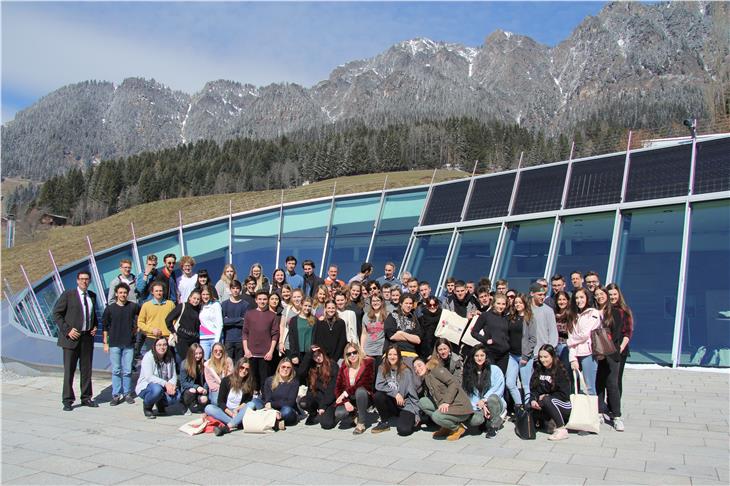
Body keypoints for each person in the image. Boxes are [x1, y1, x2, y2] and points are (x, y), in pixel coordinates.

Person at [53, 270, 99, 411]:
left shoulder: (92, 296)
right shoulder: (69, 295)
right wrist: (67, 330)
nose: (85, 281)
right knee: (69, 370)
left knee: (86, 370)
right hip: (71, 338)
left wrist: (95, 326)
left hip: (86, 338)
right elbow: (57, 313)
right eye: (82, 279)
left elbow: (92, 315)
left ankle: (86, 397)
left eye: (87, 279)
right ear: (77, 281)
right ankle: (67, 400)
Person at [414, 357, 473, 441]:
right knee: (423, 402)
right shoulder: (427, 377)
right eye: (415, 368)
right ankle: (446, 427)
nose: (417, 369)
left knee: (436, 416)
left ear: (426, 364)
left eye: (419, 365)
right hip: (448, 405)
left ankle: (458, 428)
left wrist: (446, 402)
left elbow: (453, 383)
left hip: (459, 406)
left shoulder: (437, 370)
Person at [102, 282, 140, 405]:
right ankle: (116, 394)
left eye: (125, 293)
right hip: (114, 343)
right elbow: (105, 327)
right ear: (116, 294)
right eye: (121, 293)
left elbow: (142, 315)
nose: (123, 295)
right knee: (116, 370)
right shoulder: (110, 309)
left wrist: (137, 327)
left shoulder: (133, 306)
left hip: (128, 343)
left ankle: (127, 393)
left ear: (128, 294)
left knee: (128, 370)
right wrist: (105, 343)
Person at [204, 357, 261, 436]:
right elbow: (220, 402)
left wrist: (237, 409)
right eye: (242, 367)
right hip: (227, 411)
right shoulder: (226, 380)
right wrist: (231, 413)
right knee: (208, 408)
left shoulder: (249, 383)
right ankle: (236, 422)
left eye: (247, 369)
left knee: (251, 404)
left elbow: (247, 401)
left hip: (239, 411)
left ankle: (228, 427)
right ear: (237, 367)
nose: (244, 371)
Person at [594, 286, 624, 431]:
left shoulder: (615, 312)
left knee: (612, 384)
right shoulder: (593, 312)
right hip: (596, 354)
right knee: (599, 383)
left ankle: (616, 416)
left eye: (602, 294)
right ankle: (599, 411)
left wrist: (603, 350)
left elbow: (616, 334)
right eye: (597, 295)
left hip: (611, 353)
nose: (600, 296)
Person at [372, 346, 420, 436]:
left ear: (399, 356)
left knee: (403, 430)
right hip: (392, 403)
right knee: (378, 395)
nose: (392, 357)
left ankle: (408, 419)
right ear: (386, 356)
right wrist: (396, 394)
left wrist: (417, 414)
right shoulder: (382, 368)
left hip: (404, 404)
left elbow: (413, 394)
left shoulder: (406, 371)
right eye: (390, 354)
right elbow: (378, 385)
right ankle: (384, 422)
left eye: (395, 354)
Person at [462, 344, 506, 438]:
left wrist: (484, 400)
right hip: (478, 405)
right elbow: (470, 393)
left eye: (482, 355)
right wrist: (480, 405)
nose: (479, 358)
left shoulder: (495, 369)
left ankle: (494, 426)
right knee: (475, 420)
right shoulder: (469, 372)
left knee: (492, 399)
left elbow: (497, 389)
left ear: (486, 356)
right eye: (476, 356)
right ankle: (485, 422)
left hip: (494, 402)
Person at [529, 344, 572, 441]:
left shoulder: (560, 370)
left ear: (552, 356)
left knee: (546, 399)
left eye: (546, 357)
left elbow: (564, 394)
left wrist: (547, 396)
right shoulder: (539, 369)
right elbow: (534, 389)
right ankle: (547, 421)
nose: (543, 360)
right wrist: (533, 400)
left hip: (564, 405)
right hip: (546, 403)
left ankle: (562, 430)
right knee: (530, 406)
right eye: (540, 357)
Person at [243, 290, 279, 393]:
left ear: (267, 301)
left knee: (265, 380)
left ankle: (264, 400)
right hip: (251, 353)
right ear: (256, 300)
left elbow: (275, 335)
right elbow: (245, 333)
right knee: (252, 379)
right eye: (260, 299)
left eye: (264, 299)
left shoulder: (272, 315)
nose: (262, 301)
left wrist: (271, 351)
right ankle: (252, 399)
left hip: (266, 354)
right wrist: (246, 350)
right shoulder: (249, 314)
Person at [567, 288, 602, 395]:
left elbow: (585, 335)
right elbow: (571, 336)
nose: (579, 300)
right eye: (576, 298)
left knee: (590, 387)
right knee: (572, 384)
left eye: (582, 297)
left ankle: (592, 411)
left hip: (589, 354)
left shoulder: (593, 313)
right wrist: (572, 359)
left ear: (587, 298)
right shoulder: (573, 315)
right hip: (576, 354)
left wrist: (570, 341)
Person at [334, 342, 374, 434]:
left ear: (358, 352)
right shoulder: (344, 366)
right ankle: (354, 417)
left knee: (360, 391)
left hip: (364, 397)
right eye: (349, 354)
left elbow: (364, 384)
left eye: (354, 352)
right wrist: (346, 401)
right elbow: (338, 387)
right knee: (339, 413)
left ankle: (361, 423)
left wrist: (345, 394)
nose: (352, 355)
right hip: (350, 399)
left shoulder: (368, 363)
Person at [136, 337, 179, 418]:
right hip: (148, 386)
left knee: (177, 395)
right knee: (157, 389)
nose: (162, 347)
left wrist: (172, 385)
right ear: (154, 346)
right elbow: (149, 377)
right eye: (159, 345)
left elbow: (173, 375)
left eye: (164, 345)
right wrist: (166, 384)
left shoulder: (170, 357)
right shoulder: (149, 356)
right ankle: (147, 407)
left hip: (164, 386)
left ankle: (160, 404)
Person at [297, 345, 339, 427]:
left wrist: (323, 406)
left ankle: (331, 414)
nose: (318, 358)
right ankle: (313, 414)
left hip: (329, 399)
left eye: (319, 355)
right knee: (303, 403)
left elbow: (332, 389)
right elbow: (300, 373)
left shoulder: (333, 365)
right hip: (315, 396)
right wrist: (309, 355)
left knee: (327, 424)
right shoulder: (311, 366)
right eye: (314, 356)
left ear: (323, 353)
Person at [605, 283, 633, 402]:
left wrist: (621, 347)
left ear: (619, 295)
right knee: (606, 378)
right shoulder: (604, 309)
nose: (612, 297)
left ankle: (615, 405)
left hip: (620, 347)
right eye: (610, 294)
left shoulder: (624, 310)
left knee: (616, 379)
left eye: (615, 294)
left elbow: (628, 332)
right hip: (606, 347)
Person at [470, 293, 510, 375]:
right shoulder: (486, 315)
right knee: (490, 377)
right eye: (498, 303)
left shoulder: (506, 318)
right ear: (493, 303)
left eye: (503, 304)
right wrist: (485, 340)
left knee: (500, 378)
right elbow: (474, 332)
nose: (501, 306)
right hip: (490, 352)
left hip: (504, 354)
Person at [138, 282, 176, 357]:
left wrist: (172, 333)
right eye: (156, 291)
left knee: (169, 362)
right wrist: (152, 330)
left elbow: (175, 321)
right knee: (154, 362)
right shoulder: (146, 305)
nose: (159, 293)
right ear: (152, 292)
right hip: (151, 338)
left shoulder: (170, 304)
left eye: (160, 291)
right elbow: (140, 323)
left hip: (167, 338)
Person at [384, 295, 423, 368]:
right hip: (395, 353)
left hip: (411, 353)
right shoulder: (392, 316)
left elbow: (418, 340)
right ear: (401, 303)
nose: (408, 305)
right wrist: (411, 337)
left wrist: (402, 333)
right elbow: (392, 336)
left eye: (410, 303)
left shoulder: (414, 319)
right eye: (406, 303)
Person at [505, 293, 530, 407]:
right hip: (512, 355)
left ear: (525, 303)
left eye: (520, 302)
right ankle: (519, 406)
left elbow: (533, 338)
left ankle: (528, 408)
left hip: (525, 356)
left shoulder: (529, 318)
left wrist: (526, 356)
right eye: (516, 303)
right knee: (510, 383)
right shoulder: (511, 317)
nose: (518, 305)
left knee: (526, 385)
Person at [165, 290, 201, 365]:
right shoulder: (182, 306)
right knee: (185, 363)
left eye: (198, 299)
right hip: (182, 339)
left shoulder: (199, 309)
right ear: (190, 298)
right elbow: (168, 319)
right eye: (194, 298)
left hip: (194, 340)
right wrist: (174, 332)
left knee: (194, 363)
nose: (196, 301)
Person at [263, 358, 300, 430]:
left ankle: (272, 420)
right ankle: (277, 422)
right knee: (256, 402)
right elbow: (267, 400)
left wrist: (273, 404)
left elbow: (290, 403)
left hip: (287, 410)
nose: (285, 369)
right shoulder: (269, 380)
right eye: (283, 367)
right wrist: (273, 409)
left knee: (287, 410)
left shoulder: (294, 383)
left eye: (288, 368)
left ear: (291, 370)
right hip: (272, 410)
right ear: (279, 368)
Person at [221, 279, 248, 362]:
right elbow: (223, 322)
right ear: (230, 289)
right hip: (228, 339)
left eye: (237, 288)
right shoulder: (224, 304)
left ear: (240, 289)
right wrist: (239, 319)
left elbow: (245, 323)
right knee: (228, 364)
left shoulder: (245, 304)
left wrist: (229, 320)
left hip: (240, 339)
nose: (235, 290)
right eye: (233, 288)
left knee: (238, 364)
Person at [179, 343, 209, 414]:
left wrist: (205, 389)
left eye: (200, 353)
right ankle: (185, 405)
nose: (198, 356)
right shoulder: (184, 364)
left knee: (204, 399)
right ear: (191, 353)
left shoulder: (205, 363)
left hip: (201, 389)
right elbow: (183, 383)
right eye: (196, 354)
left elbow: (207, 380)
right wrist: (196, 387)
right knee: (192, 391)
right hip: (189, 389)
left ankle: (199, 405)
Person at [287, 298, 316, 367]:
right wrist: (293, 355)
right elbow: (292, 339)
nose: (307, 308)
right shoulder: (294, 320)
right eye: (305, 305)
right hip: (298, 354)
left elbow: (317, 336)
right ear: (301, 305)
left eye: (309, 306)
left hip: (310, 354)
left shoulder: (315, 320)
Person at [199, 285, 223, 359]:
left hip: (215, 338)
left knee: (216, 362)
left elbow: (220, 324)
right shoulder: (200, 306)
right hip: (203, 339)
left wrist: (216, 341)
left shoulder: (216, 305)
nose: (205, 296)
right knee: (204, 362)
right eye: (203, 294)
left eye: (207, 294)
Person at [279, 288, 304, 358]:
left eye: (299, 297)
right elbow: (282, 326)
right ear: (291, 298)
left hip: (302, 346)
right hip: (287, 345)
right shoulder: (287, 309)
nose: (296, 299)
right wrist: (281, 342)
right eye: (294, 297)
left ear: (302, 297)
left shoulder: (306, 310)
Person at [553, 290, 572, 370]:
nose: (562, 302)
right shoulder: (553, 314)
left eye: (564, 299)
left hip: (565, 345)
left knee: (565, 369)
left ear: (568, 301)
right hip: (554, 345)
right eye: (559, 300)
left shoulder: (570, 314)